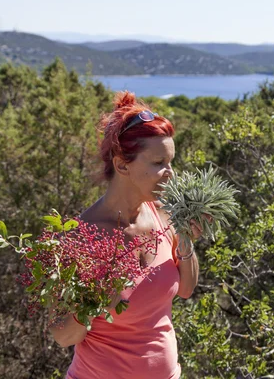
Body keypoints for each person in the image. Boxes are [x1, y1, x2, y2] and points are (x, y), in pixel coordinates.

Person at [49, 91, 200, 379]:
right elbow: (63, 335)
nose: (170, 173)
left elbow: (186, 289)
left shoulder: (165, 214)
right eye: (158, 163)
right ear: (121, 165)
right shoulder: (82, 237)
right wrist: (99, 298)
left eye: (170, 162)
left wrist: (186, 240)